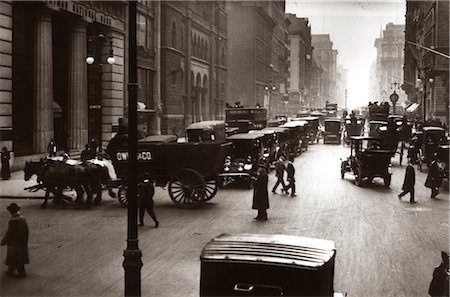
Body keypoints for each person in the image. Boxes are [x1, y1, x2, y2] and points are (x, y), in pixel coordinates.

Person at [1, 203, 29, 278]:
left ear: (11, 211)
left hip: (14, 242)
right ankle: (11, 269)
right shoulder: (22, 218)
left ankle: (21, 273)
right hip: (22, 240)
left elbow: (9, 233)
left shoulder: (13, 221)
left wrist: (3, 241)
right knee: (17, 256)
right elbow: (26, 230)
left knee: (15, 256)